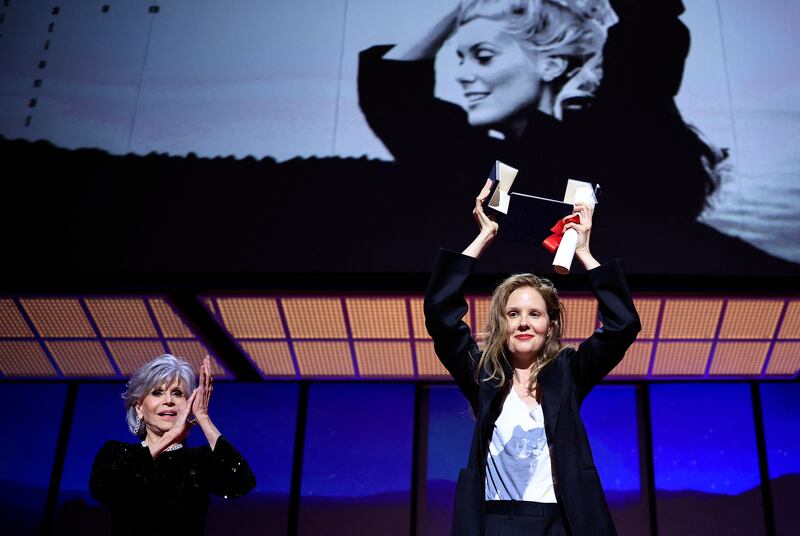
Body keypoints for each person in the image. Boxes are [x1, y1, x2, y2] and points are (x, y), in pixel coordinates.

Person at [359, 0, 798, 274]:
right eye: (460, 57)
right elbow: (393, 98)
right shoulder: (493, 164)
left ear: (551, 64)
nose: (463, 75)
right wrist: (464, 8)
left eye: (484, 56)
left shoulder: (617, 135)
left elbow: (649, 37)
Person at [424, 179, 640, 535]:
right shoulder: (483, 374)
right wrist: (484, 237)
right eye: (513, 314)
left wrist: (584, 252)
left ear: (550, 326)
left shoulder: (569, 373)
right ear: (503, 323)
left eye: (534, 314)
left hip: (561, 524)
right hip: (496, 523)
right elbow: (440, 315)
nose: (523, 322)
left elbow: (622, 325)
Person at [89, 354, 255, 535]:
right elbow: (101, 489)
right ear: (139, 408)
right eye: (157, 393)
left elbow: (241, 482)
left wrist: (202, 417)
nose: (169, 400)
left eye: (177, 393)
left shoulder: (198, 460)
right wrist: (170, 436)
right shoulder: (117, 453)